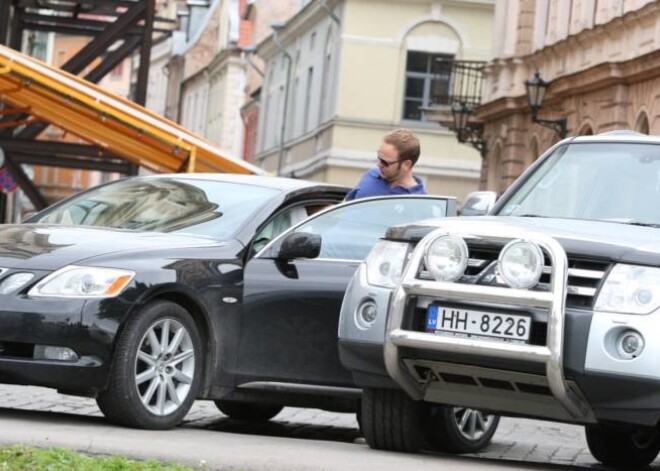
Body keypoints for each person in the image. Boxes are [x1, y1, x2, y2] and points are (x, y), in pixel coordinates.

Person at [345, 128, 426, 201]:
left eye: (385, 162)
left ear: (406, 165)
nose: (379, 164)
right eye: (379, 158)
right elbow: (345, 204)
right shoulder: (371, 174)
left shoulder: (417, 201)